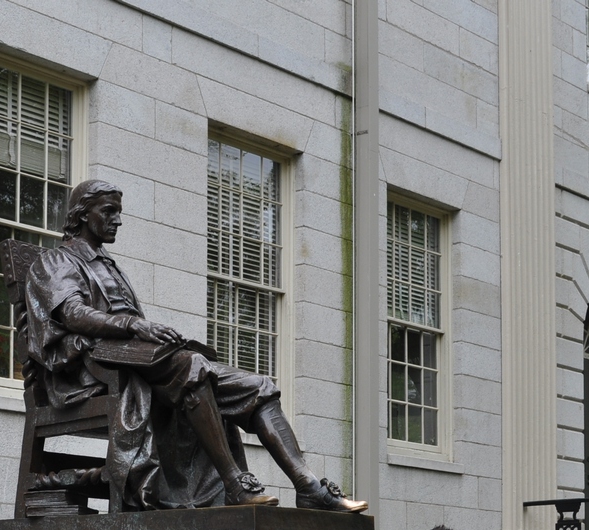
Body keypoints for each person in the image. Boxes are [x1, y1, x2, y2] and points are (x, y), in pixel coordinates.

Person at [20, 179, 366, 513]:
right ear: (82, 215)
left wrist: (149, 334)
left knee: (260, 386)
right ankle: (234, 484)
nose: (118, 220)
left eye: (119, 212)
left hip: (138, 358)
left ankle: (309, 488)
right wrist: (136, 325)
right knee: (192, 367)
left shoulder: (108, 264)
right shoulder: (56, 261)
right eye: (109, 211)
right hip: (93, 368)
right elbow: (72, 313)